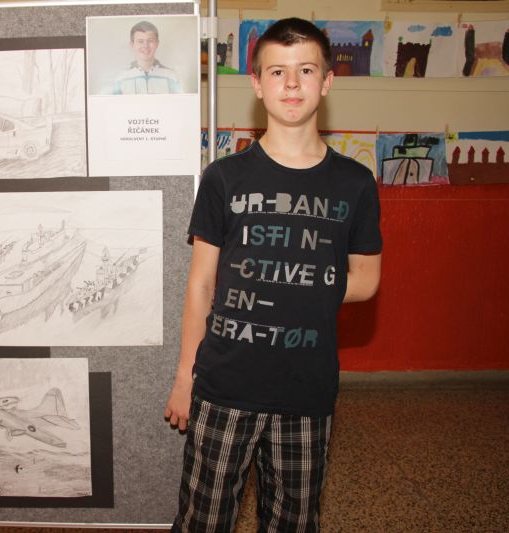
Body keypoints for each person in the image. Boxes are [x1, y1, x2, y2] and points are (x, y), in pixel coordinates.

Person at [165, 17, 382, 532]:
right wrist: (184, 377)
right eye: (277, 71)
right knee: (203, 518)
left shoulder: (355, 183)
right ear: (257, 84)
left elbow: (366, 279)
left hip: (305, 389)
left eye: (306, 69)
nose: (291, 83)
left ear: (327, 81)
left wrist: (298, 285)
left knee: (293, 520)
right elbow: (201, 284)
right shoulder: (224, 177)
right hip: (223, 384)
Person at [108, 20, 182, 95]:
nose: (145, 46)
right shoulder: (121, 78)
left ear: (157, 43)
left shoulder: (171, 76)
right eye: (140, 41)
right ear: (132, 44)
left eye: (150, 41)